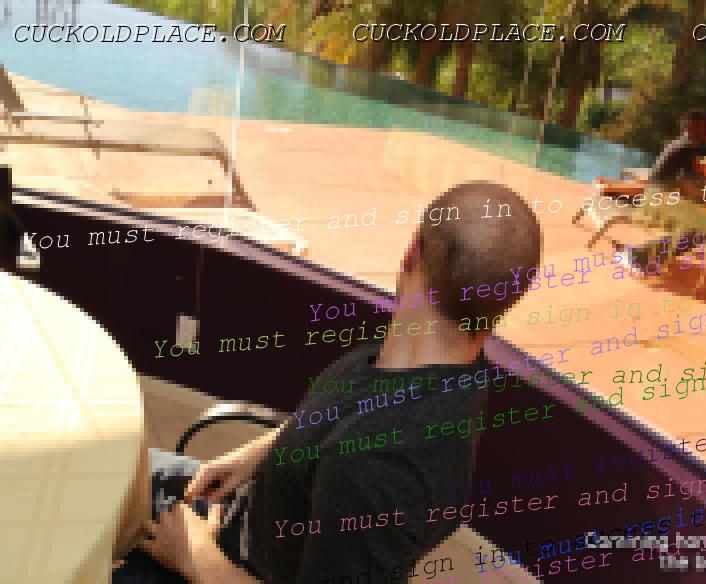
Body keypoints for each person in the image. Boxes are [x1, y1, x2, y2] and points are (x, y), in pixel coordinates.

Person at [114, 181, 543, 583]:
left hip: (226, 564)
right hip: (245, 513)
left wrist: (197, 558)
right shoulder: (440, 360)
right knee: (109, 466)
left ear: (412, 251)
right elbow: (338, 416)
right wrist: (261, 453)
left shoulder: (377, 468)